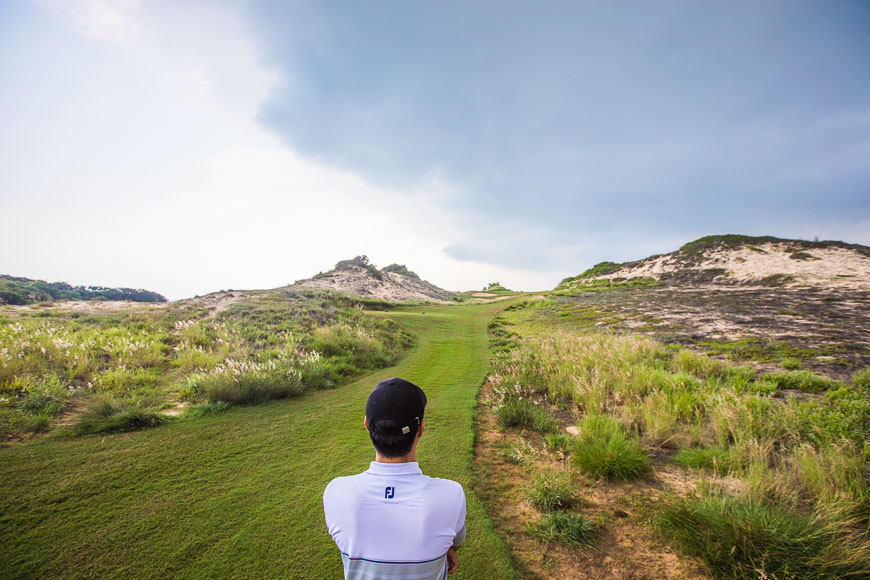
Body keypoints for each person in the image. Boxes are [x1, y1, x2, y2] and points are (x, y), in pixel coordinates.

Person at [323, 377, 467, 579]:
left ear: (367, 425)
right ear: (421, 429)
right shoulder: (451, 494)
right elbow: (455, 542)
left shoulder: (336, 493)